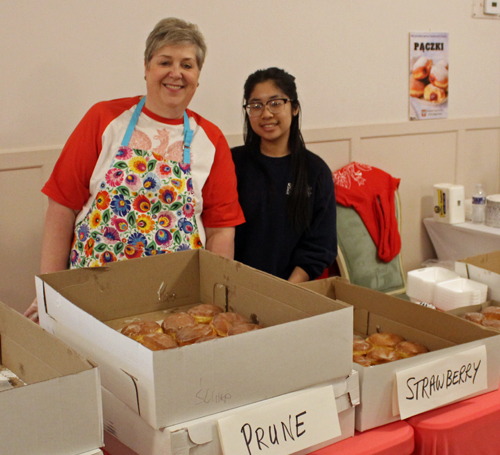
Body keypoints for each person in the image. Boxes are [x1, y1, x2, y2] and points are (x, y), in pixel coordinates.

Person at [24, 18, 244, 322]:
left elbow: (220, 231)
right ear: (146, 67)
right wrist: (49, 291)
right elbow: (61, 207)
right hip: (92, 296)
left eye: (187, 65)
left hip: (174, 305)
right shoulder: (105, 119)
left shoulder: (212, 140)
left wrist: (213, 305)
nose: (176, 73)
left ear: (198, 76)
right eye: (165, 61)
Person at [231, 67, 337, 283]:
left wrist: (286, 292)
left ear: (294, 108)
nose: (266, 114)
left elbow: (321, 245)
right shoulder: (232, 163)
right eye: (256, 105)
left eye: (275, 103)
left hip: (292, 291)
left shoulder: (315, 171)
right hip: (235, 287)